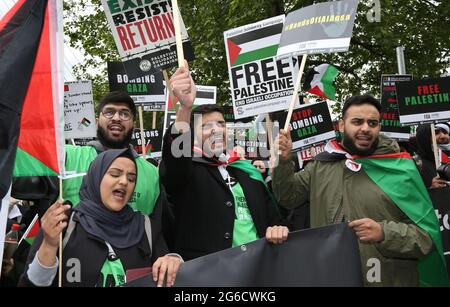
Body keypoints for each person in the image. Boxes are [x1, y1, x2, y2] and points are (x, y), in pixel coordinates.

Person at [272, 94, 449, 286]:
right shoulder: (320, 165)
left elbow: (426, 238)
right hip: (332, 276)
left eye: (372, 123)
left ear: (379, 127)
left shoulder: (401, 168)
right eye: (357, 121)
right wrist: (283, 161)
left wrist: (384, 233)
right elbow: (287, 197)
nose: (365, 128)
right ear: (341, 125)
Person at [159, 62, 288, 261]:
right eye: (206, 126)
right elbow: (177, 155)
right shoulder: (187, 170)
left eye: (220, 124)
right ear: (193, 135)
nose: (216, 129)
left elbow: (273, 220)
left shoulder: (246, 171)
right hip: (211, 273)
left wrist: (278, 229)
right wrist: (185, 108)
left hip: (258, 268)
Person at [19, 148, 181, 287]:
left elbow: (166, 269)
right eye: (115, 174)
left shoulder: (146, 227)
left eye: (131, 178)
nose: (124, 181)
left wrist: (173, 261)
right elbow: (32, 283)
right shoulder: (63, 223)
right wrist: (49, 245)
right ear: (96, 177)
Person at [63, 91, 159, 215]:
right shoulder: (67, 156)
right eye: (109, 112)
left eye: (124, 114)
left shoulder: (152, 174)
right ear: (97, 122)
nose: (116, 118)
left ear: (133, 125)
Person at [413, 123, 449, 188]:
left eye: (445, 132)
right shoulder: (415, 164)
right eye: (436, 133)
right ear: (424, 139)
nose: (443, 136)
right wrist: (431, 187)